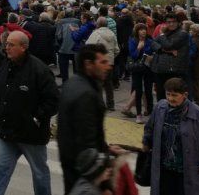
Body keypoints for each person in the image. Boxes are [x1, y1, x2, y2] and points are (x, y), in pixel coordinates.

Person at [0, 30, 59, 195]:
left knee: (39, 174)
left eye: (11, 45)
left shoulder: (39, 70)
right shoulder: (5, 64)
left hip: (31, 135)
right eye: (6, 44)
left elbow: (53, 101)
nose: (7, 48)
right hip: (7, 132)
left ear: (23, 47)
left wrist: (35, 118)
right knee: (0, 170)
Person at [58, 44, 125, 194]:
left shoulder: (74, 82)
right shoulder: (86, 95)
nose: (108, 66)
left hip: (72, 166)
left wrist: (106, 148)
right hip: (85, 173)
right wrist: (102, 183)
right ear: (88, 64)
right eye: (103, 62)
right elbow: (86, 142)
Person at [142, 77, 199, 195]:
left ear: (185, 95)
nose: (170, 98)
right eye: (168, 94)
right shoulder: (160, 108)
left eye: (175, 95)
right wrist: (146, 142)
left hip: (187, 172)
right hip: (164, 170)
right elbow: (149, 128)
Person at [152, 13, 190, 101]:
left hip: (174, 70)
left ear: (178, 23)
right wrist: (164, 50)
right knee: (161, 96)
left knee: (173, 95)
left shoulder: (182, 34)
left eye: (174, 22)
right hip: (160, 69)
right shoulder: (166, 33)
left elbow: (169, 45)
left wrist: (162, 36)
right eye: (169, 22)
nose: (171, 24)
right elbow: (153, 43)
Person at [86, 17, 119, 110]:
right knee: (108, 83)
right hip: (109, 61)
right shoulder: (112, 34)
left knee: (98, 83)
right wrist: (111, 57)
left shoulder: (95, 33)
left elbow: (88, 46)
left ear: (98, 24)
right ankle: (111, 104)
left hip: (98, 62)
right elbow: (117, 49)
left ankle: (99, 104)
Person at [125, 23, 155, 123]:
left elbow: (154, 52)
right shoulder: (133, 41)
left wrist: (151, 56)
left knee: (148, 91)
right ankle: (138, 114)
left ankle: (150, 113)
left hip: (148, 69)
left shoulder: (150, 41)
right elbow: (132, 56)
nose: (143, 31)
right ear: (137, 31)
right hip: (137, 69)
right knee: (138, 91)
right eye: (141, 29)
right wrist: (138, 48)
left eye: (144, 29)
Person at [56, 8, 80, 84]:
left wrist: (60, 45)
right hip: (76, 48)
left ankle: (65, 83)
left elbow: (58, 36)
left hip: (64, 48)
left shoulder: (61, 22)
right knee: (76, 68)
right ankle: (76, 83)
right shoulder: (78, 21)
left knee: (63, 67)